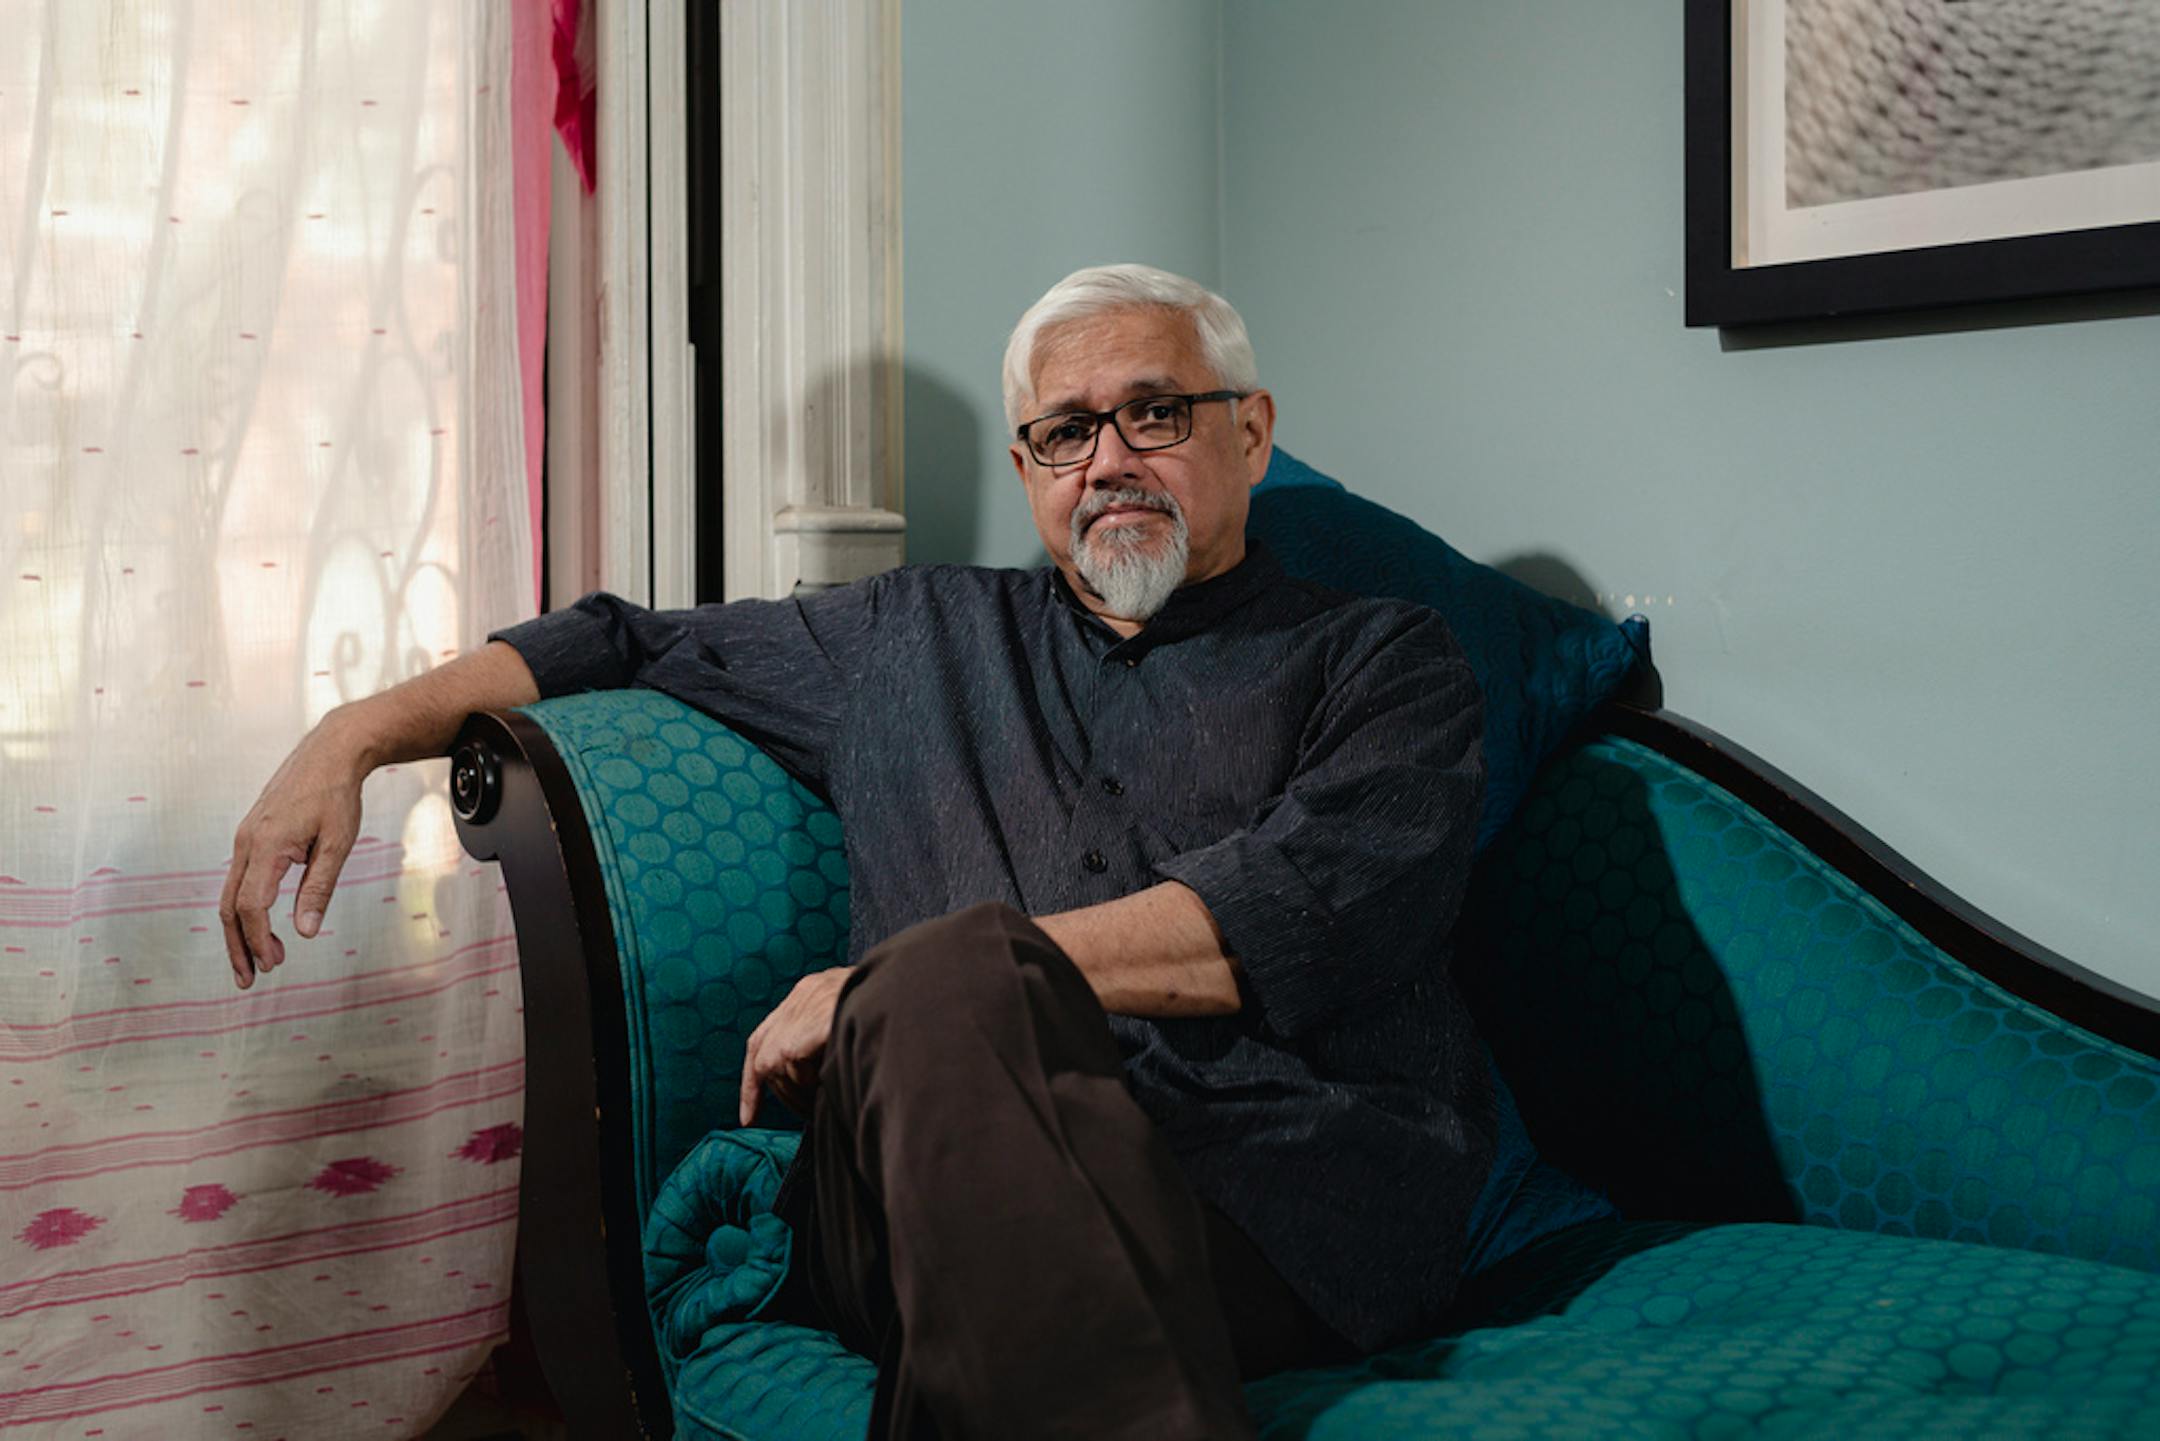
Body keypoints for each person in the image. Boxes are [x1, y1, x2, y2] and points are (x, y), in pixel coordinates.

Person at [223, 264, 1493, 1440]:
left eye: (1154, 414)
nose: (1109, 460)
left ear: (1251, 433)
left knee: (948, 990)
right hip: (907, 1168)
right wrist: (353, 732)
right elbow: (620, 640)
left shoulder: (1386, 661)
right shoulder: (910, 637)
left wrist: (905, 985)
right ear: (1027, 467)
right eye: (1066, 432)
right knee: (946, 1014)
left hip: (1268, 1194)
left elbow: (1301, 909)